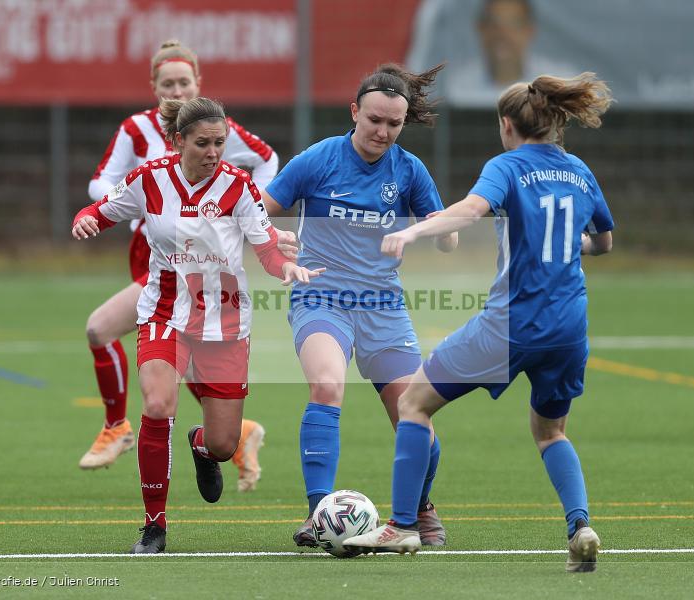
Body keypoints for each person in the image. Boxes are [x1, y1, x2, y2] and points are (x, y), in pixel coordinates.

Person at [343, 73, 614, 574]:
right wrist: (571, 246)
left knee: (413, 404)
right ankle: (581, 526)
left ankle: (403, 526)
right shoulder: (579, 170)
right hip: (570, 326)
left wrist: (414, 230)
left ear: (507, 125)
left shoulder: (507, 166)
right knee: (552, 431)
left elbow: (469, 211)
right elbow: (603, 242)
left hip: (512, 325)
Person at [72, 97, 323, 554]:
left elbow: (266, 249)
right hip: (165, 311)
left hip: (225, 323)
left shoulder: (239, 187)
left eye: (220, 143)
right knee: (157, 404)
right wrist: (84, 221)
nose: (213, 152)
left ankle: (202, 447)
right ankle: (154, 525)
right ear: (178, 141)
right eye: (203, 143)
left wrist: (286, 268)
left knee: (226, 443)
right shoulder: (149, 180)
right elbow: (101, 210)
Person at [259, 63, 458, 548]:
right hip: (321, 295)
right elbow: (260, 209)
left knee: (415, 413)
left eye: (393, 124)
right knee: (327, 385)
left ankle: (419, 509)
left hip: (383, 306)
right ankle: (318, 513)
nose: (383, 132)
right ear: (355, 112)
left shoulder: (410, 170)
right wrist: (274, 243)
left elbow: (446, 237)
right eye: (374, 120)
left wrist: (444, 228)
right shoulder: (319, 159)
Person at [80, 40, 278, 493]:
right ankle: (124, 433)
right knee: (157, 371)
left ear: (197, 83)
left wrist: (255, 215)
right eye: (167, 83)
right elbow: (101, 183)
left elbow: (266, 162)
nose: (176, 91)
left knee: (115, 334)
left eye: (183, 82)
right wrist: (125, 209)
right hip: (156, 266)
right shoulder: (136, 130)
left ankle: (221, 437)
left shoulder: (214, 132)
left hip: (201, 277)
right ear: (153, 87)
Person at [406, 0, 573, 107]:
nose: (502, 33)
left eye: (513, 24)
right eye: (494, 23)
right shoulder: (460, 84)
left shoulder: (560, 83)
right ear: (481, 30)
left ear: (529, 31)